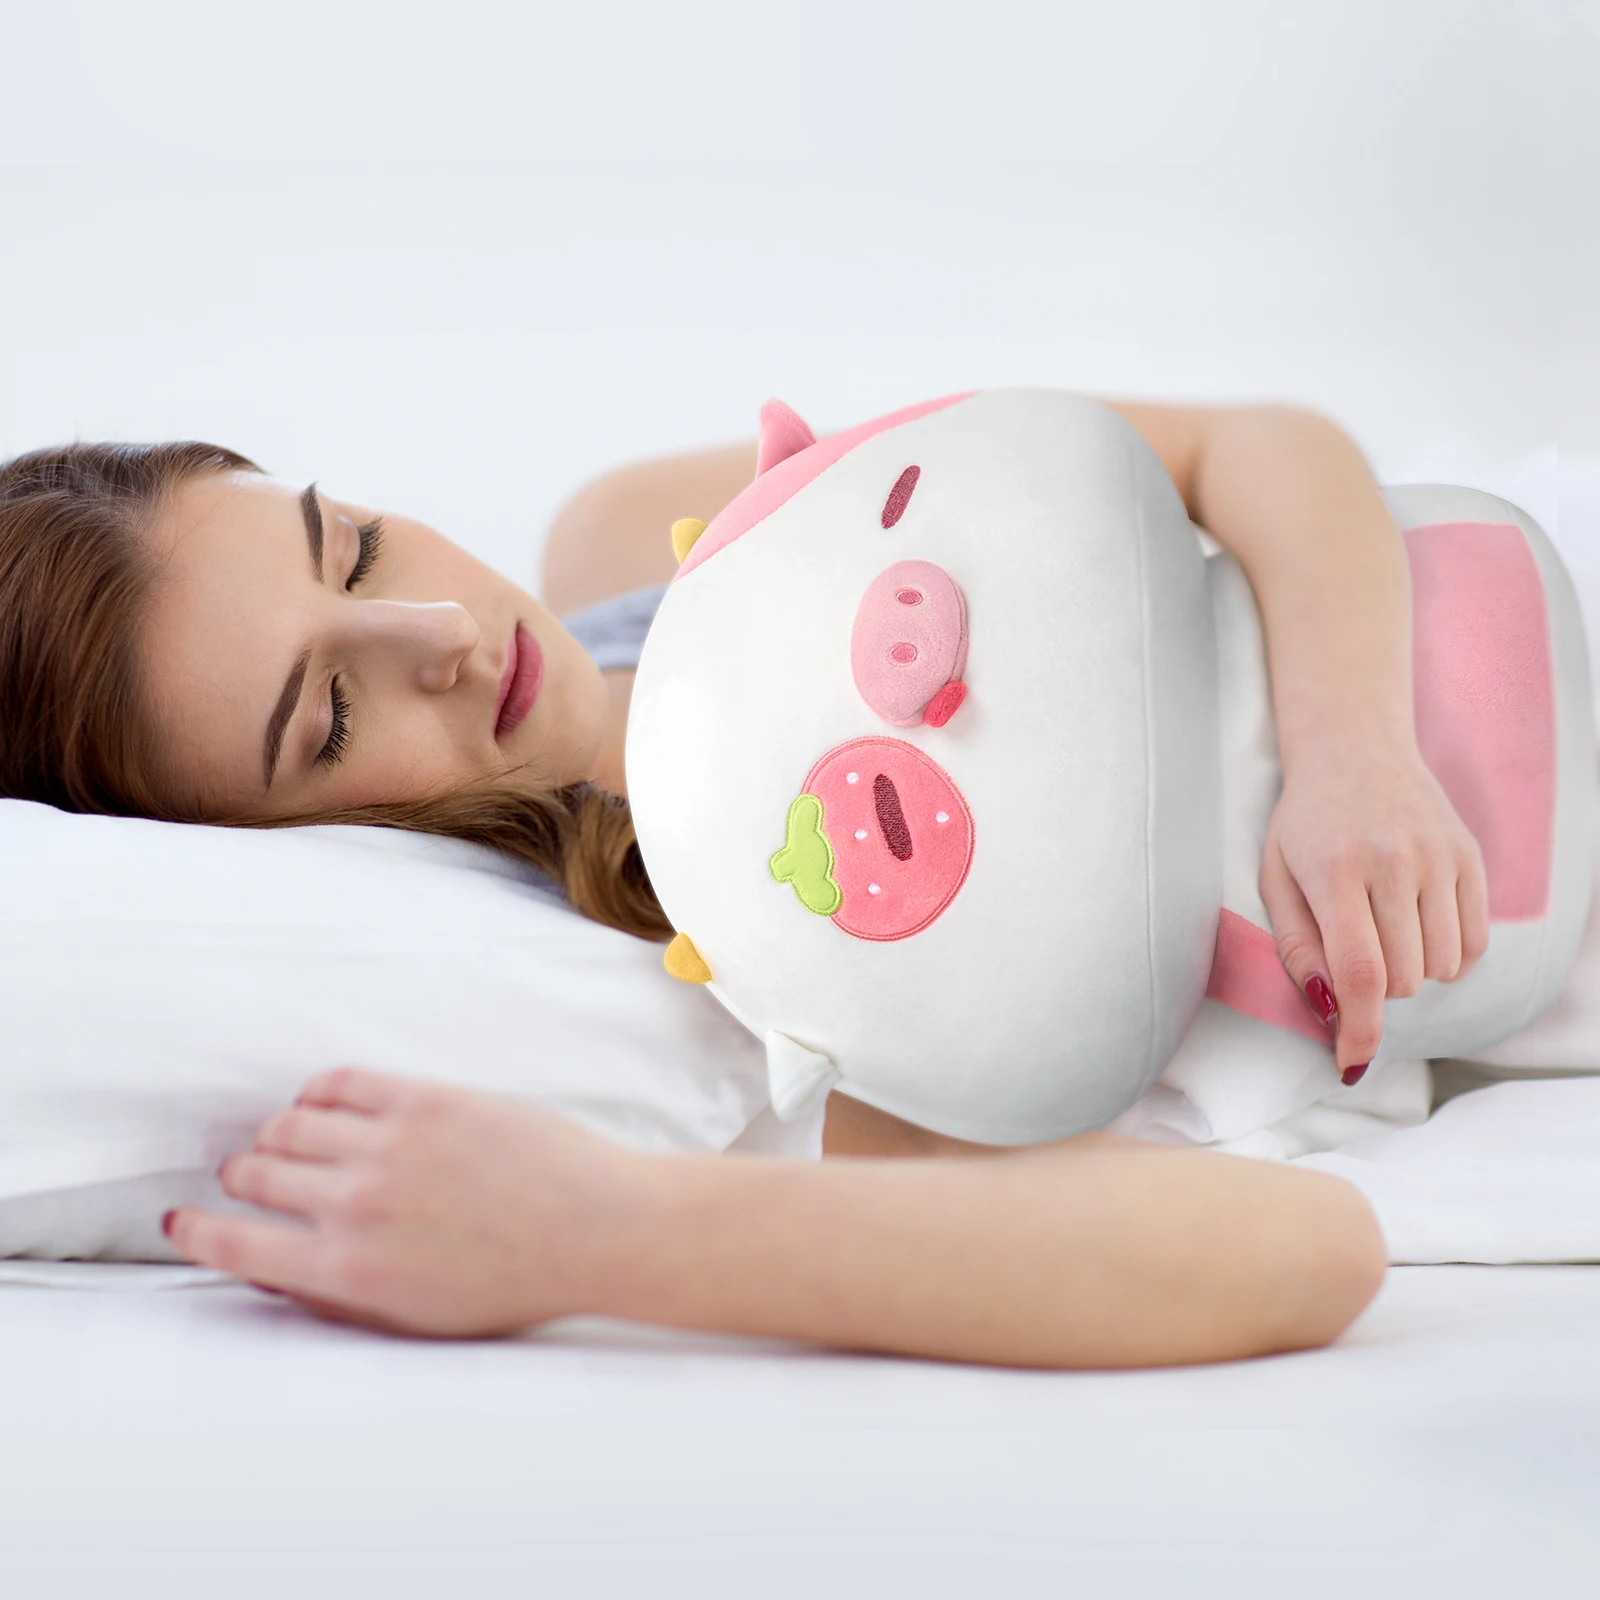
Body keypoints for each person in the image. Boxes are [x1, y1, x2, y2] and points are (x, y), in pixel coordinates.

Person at [0, 398, 1492, 1367]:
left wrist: (1355, 755)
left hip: (1478, 616)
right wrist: (604, 1236)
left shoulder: (649, 537)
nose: (439, 632)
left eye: (357, 548)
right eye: (328, 719)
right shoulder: (756, 949)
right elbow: (1309, 1251)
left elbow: (1250, 444)